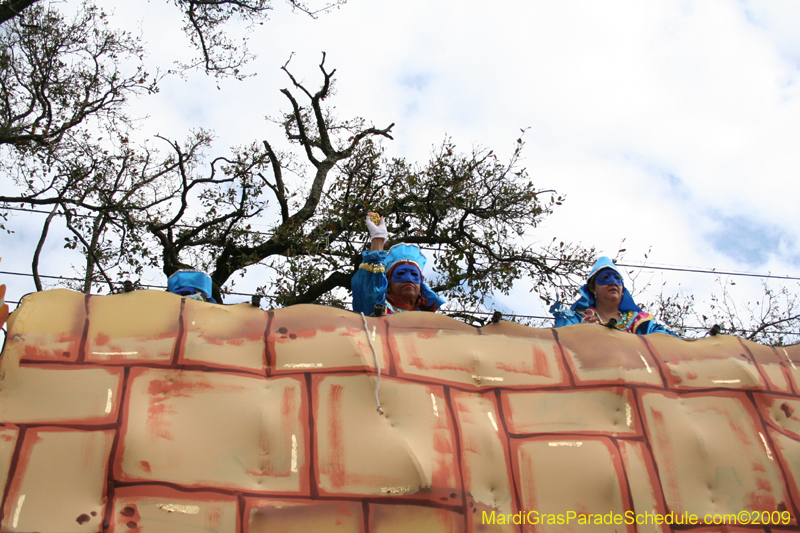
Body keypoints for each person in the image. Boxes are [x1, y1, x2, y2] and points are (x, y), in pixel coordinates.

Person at [550, 256, 676, 335]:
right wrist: (580, 332)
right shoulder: (574, 319)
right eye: (605, 278)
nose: (612, 282)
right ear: (593, 288)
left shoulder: (642, 322)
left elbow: (666, 343)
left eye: (617, 279)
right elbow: (558, 343)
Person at [351, 213, 446, 316]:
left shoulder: (431, 320)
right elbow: (369, 291)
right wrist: (378, 239)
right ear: (389, 284)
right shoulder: (379, 308)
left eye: (414, 275)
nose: (408, 278)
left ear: (421, 285)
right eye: (400, 273)